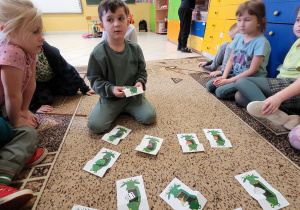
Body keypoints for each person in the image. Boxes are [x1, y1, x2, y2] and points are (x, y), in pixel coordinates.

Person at [0, 0, 47, 208]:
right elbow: (11, 96)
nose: (42, 37)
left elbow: (29, 84)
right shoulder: (12, 51)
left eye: (41, 31)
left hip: (5, 108)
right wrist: (17, 119)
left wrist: (24, 111)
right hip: (5, 107)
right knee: (10, 131)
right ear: (7, 31)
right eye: (34, 32)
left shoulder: (30, 51)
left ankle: (16, 152)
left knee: (29, 133)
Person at [87, 0, 156, 134]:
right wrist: (111, 89)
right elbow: (95, 81)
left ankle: (132, 106)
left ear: (128, 22)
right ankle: (111, 107)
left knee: (149, 117)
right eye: (110, 20)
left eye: (120, 18)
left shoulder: (135, 49)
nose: (116, 24)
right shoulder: (98, 53)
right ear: (102, 26)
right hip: (111, 97)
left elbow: (141, 72)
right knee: (95, 126)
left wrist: (140, 82)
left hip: (133, 97)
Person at [235, 6, 300, 131]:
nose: (299, 25)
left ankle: (275, 114)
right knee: (240, 96)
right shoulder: (297, 42)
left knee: (242, 81)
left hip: (295, 89)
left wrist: (278, 97)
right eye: (298, 20)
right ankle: (286, 117)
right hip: (286, 85)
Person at [206, 0, 270, 99]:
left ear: (259, 22)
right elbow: (231, 60)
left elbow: (253, 70)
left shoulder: (261, 42)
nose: (241, 24)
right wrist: (224, 76)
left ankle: (251, 92)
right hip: (236, 74)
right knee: (210, 86)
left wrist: (229, 81)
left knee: (220, 92)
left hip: (250, 80)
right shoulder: (239, 36)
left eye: (247, 20)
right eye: (239, 20)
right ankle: (237, 88)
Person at [29, 41, 95, 114]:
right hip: (36, 84)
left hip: (53, 78)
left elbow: (67, 69)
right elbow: (19, 87)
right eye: (35, 33)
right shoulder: (20, 57)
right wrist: (32, 107)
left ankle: (50, 90)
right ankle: (46, 92)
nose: (42, 38)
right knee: (46, 100)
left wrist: (84, 88)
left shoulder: (49, 51)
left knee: (73, 88)